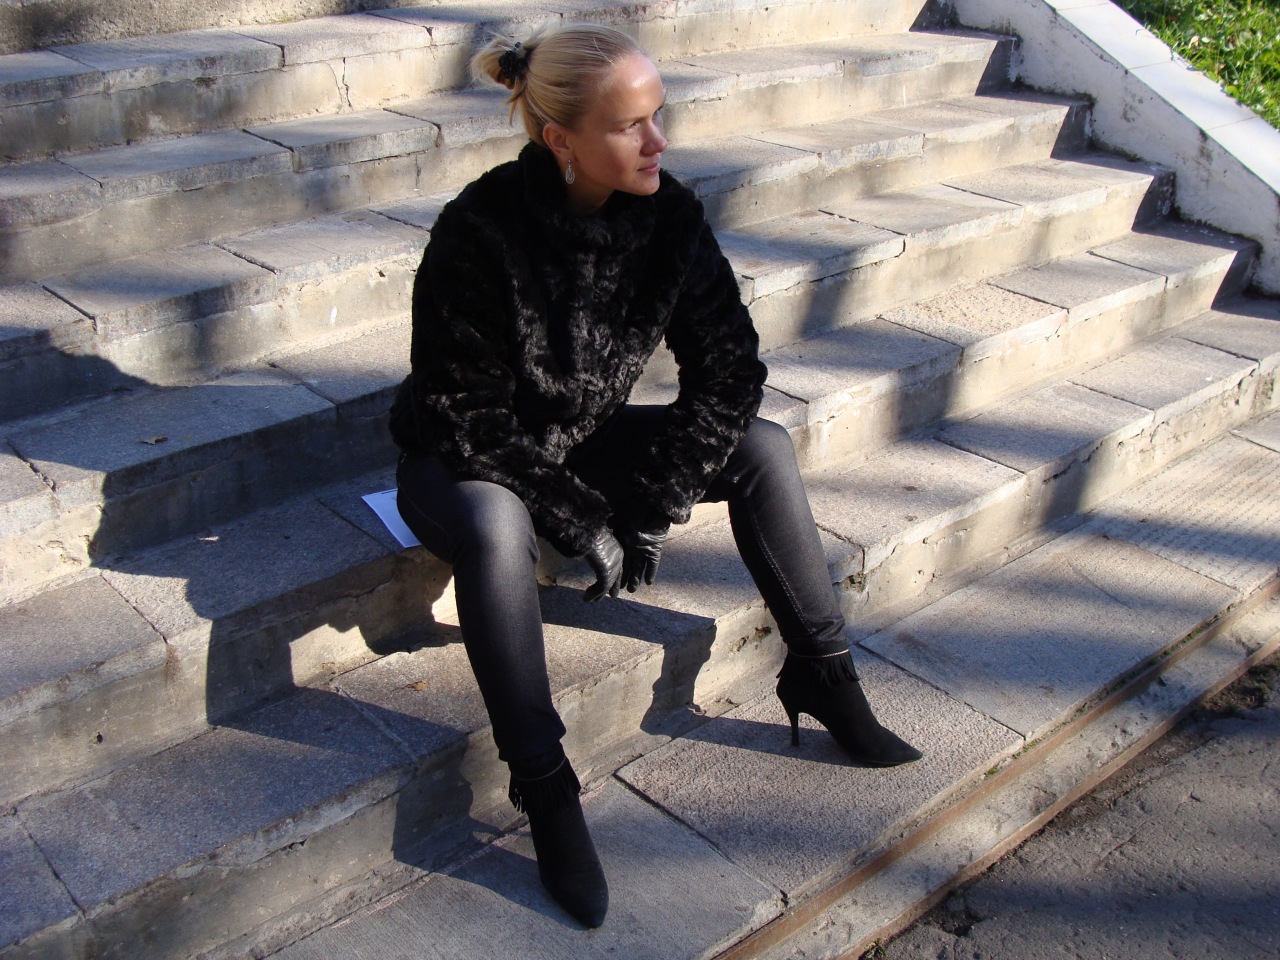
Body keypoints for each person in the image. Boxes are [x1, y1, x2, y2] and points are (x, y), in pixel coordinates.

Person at [388, 21, 922, 929]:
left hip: (577, 443)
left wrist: (653, 498)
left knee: (761, 446)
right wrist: (578, 515)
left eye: (658, 115)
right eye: (629, 124)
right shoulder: (478, 229)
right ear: (560, 139)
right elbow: (464, 414)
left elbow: (730, 372)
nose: (658, 141)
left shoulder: (666, 217)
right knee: (496, 524)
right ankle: (544, 787)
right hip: (463, 458)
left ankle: (824, 675)